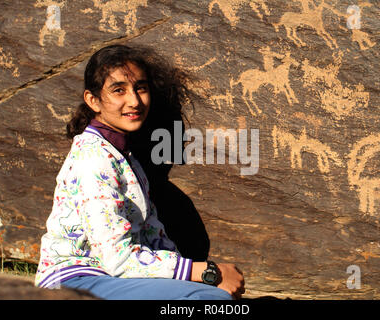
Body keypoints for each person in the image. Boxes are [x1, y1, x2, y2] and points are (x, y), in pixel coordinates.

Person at [34, 44, 245, 300]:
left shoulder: (126, 158)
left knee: (212, 296)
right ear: (93, 100)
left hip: (112, 279)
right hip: (75, 281)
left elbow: (154, 241)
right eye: (118, 90)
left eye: (140, 88)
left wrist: (204, 279)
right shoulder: (93, 158)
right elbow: (117, 258)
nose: (134, 100)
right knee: (208, 301)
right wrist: (207, 272)